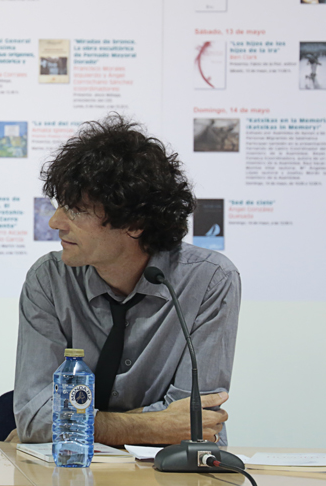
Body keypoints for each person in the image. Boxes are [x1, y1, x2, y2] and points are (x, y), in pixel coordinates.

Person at [14, 114, 240, 446]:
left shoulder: (210, 281)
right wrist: (152, 426)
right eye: (60, 205)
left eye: (76, 209)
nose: (55, 221)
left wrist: (77, 423)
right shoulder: (49, 280)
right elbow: (35, 419)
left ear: (134, 223)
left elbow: (196, 422)